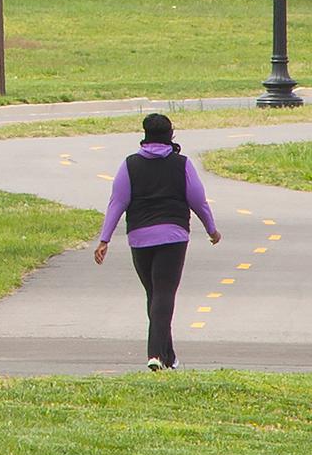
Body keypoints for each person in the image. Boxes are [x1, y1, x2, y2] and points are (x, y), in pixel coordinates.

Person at [92, 110, 220, 370]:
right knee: (163, 293)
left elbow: (117, 202)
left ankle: (168, 356)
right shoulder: (182, 164)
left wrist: (104, 239)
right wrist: (211, 229)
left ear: (145, 135)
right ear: (170, 135)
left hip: (139, 237)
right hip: (173, 235)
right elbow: (198, 200)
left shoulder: (130, 165)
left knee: (155, 294)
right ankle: (156, 355)